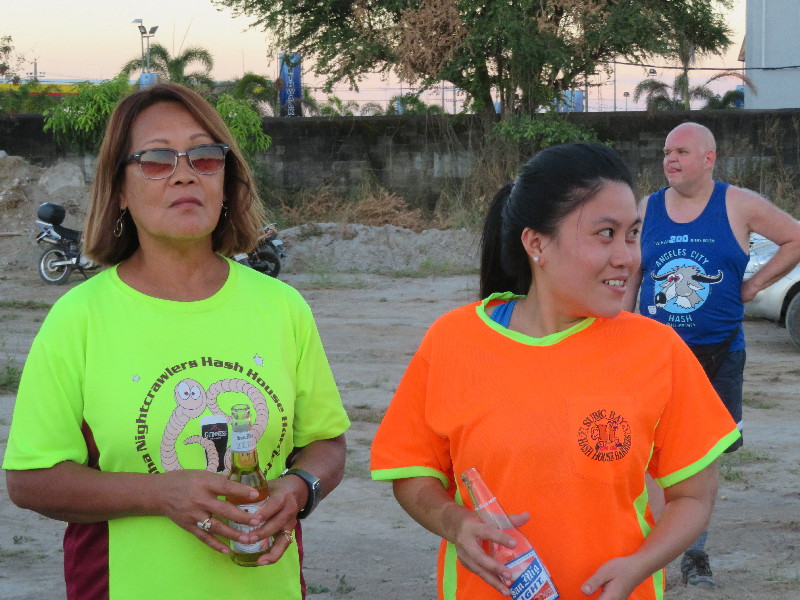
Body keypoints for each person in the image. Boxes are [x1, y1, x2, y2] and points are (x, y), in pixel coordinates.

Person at [3, 83, 349, 600]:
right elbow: (31, 480)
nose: (185, 173)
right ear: (120, 189)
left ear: (226, 182)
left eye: (205, 157)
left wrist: (300, 488)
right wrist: (162, 493)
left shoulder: (282, 307)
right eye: (157, 159)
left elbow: (326, 443)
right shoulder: (79, 318)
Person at [370, 142, 741, 600]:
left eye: (632, 234)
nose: (627, 257)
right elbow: (413, 474)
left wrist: (638, 566)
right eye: (605, 234)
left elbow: (694, 496)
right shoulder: (453, 340)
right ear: (537, 244)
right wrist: (455, 522)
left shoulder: (657, 350)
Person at [628, 121, 800, 588]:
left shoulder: (738, 204)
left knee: (701, 460)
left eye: (681, 151)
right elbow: (632, 274)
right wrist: (616, 329)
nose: (670, 159)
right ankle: (652, 555)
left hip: (719, 354)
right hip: (657, 357)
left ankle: (695, 555)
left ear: (709, 158)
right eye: (666, 152)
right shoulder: (647, 208)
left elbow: (795, 237)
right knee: (650, 456)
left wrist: (755, 285)